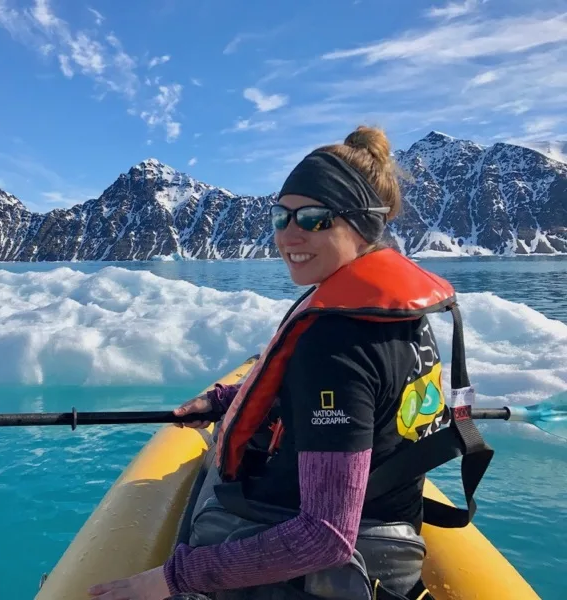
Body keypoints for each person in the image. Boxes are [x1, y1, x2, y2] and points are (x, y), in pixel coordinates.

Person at [87, 126, 492, 600]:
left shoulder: (337, 343)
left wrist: (171, 578)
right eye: (281, 216)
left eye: (315, 218)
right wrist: (228, 400)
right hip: (393, 526)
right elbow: (362, 401)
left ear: (364, 225)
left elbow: (325, 537)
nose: (290, 233)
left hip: (345, 565)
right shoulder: (396, 316)